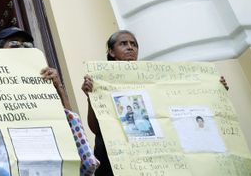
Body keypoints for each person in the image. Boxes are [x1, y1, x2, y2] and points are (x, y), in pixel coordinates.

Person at [81, 30, 230, 175]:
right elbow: (96, 129)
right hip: (115, 158)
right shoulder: (101, 81)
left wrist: (214, 88)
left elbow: (182, 99)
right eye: (123, 44)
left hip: (151, 157)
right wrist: (91, 96)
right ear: (112, 52)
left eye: (134, 44)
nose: (130, 47)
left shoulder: (153, 80)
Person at [0, 27, 70, 110]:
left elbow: (72, 120)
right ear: (0, 49)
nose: (21, 48)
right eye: (14, 43)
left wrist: (58, 87)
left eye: (26, 45)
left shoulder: (43, 76)